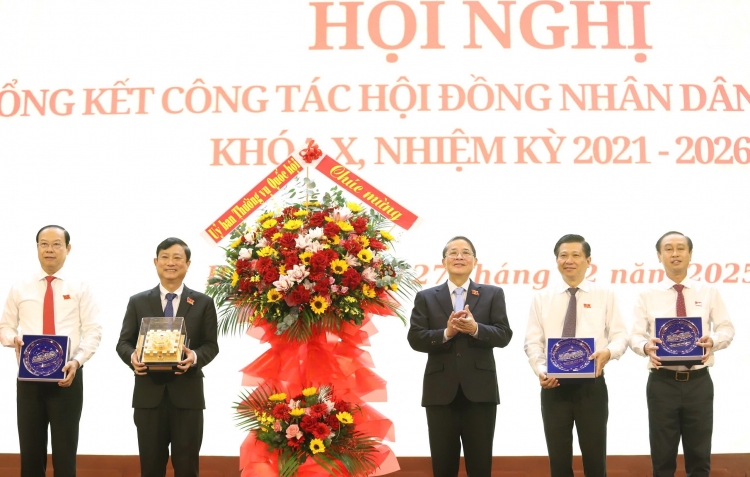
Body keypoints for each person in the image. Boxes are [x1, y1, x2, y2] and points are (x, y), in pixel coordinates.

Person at [0, 225, 103, 477]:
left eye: (56, 244)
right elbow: (5, 327)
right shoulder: (20, 287)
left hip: (67, 377)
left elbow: (93, 331)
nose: (50, 249)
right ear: (37, 248)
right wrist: (14, 339)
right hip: (29, 379)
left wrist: (76, 362)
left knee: (65, 454)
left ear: (68, 248)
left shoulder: (80, 286)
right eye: (44, 244)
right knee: (31, 452)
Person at [629, 231, 734, 477]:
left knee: (699, 456)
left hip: (699, 382)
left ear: (690, 254)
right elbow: (635, 336)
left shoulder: (708, 291)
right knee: (662, 457)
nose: (674, 253)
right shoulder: (646, 295)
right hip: (662, 383)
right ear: (659, 256)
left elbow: (726, 329)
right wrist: (645, 347)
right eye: (668, 249)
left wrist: (713, 341)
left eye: (680, 248)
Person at [407, 236, 513, 477]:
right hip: (439, 392)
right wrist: (446, 333)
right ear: (443, 261)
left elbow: (504, 335)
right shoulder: (426, 297)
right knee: (443, 466)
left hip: (480, 392)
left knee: (480, 465)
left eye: (466, 252)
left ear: (475, 261)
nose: (459, 256)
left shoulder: (492, 294)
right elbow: (415, 338)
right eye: (453, 252)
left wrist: (476, 329)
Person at [524, 234, 628, 477]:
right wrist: (541, 370)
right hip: (553, 386)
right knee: (558, 460)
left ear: (588, 260)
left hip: (592, 386)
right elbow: (532, 342)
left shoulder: (605, 294)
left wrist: (608, 353)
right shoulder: (542, 297)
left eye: (575, 255)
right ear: (556, 260)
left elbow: (620, 336)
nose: (568, 260)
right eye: (563, 255)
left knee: (595, 458)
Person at [116, 237, 219, 477]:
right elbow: (123, 343)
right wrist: (132, 357)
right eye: (165, 257)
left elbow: (211, 345)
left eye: (177, 258)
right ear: (156, 262)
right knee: (151, 468)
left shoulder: (203, 302)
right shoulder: (138, 301)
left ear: (188, 264)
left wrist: (194, 357)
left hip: (188, 396)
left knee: (187, 467)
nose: (170, 263)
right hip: (148, 396)